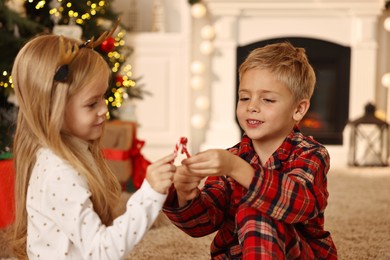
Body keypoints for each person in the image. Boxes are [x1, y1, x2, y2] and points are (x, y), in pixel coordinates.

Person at [163, 42, 337, 259]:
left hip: (298, 253)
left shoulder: (310, 154)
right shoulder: (231, 157)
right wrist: (185, 195)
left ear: (298, 109)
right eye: (244, 97)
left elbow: (299, 203)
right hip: (238, 254)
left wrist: (237, 168)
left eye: (268, 99)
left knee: (256, 210)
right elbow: (203, 224)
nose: (251, 106)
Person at [10, 31, 175, 259]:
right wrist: (150, 194)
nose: (104, 109)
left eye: (103, 98)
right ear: (53, 108)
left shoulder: (59, 156)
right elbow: (101, 251)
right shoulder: (59, 172)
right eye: (91, 104)